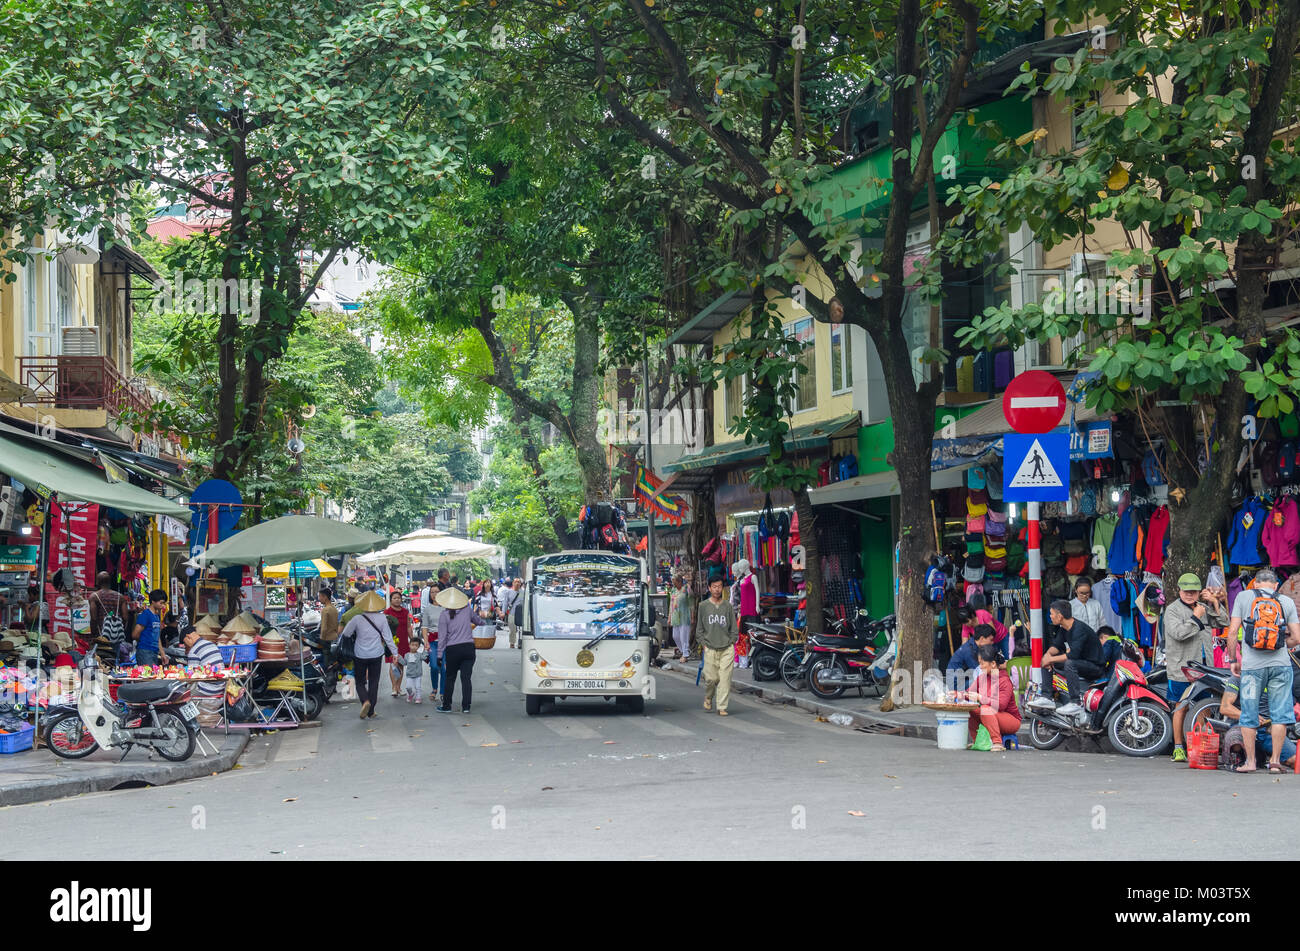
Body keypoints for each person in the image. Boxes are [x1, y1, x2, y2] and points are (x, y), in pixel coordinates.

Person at [1223, 567, 1300, 773]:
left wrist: (1232, 660)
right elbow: (1297, 638)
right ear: (1275, 585)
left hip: (1252, 667)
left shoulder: (1243, 597)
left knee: (1249, 714)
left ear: (1255, 583)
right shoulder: (1286, 601)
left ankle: (1250, 762)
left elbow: (1232, 632)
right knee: (1279, 715)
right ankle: (1275, 762)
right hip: (1280, 667)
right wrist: (1280, 644)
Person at [1164, 573, 1229, 762]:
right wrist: (1196, 617)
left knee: (1204, 707)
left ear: (1199, 592)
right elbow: (1178, 633)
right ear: (1179, 590)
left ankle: (1199, 746)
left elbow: (1223, 622)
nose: (1190, 595)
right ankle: (1178, 747)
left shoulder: (1203, 607)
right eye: (1186, 591)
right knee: (1180, 706)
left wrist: (1215, 603)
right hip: (1181, 666)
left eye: (1193, 591)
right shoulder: (1172, 610)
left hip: (1205, 667)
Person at [1029, 599, 1103, 717]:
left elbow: (1072, 655)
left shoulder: (1079, 629)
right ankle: (1046, 697)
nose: (1050, 616)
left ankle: (1075, 703)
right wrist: (1048, 656)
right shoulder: (1064, 628)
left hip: (1094, 667)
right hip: (1080, 662)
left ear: (1060, 616)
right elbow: (1057, 645)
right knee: (1046, 659)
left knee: (1069, 663)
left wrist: (1051, 659)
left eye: (1052, 614)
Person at [1219, 671, 1296, 770]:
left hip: (1266, 730)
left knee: (1295, 760)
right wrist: (1249, 716)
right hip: (1242, 725)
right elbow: (1225, 707)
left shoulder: (1274, 679)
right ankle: (1246, 759)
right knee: (1235, 740)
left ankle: (1271, 759)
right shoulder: (1237, 678)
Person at [435, 586, 495, 714]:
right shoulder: (467, 610)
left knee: (450, 678)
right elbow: (479, 622)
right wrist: (488, 626)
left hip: (453, 650)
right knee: (466, 678)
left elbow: (442, 638)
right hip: (468, 648)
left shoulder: (444, 615)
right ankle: (466, 706)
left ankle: (447, 706)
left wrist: (439, 656)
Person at [340, 590, 398, 719]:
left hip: (360, 653)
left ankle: (365, 701)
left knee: (360, 681)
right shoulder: (382, 618)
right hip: (376, 653)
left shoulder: (357, 618)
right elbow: (388, 638)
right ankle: (371, 711)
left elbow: (346, 634)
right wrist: (395, 653)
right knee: (374, 682)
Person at [961, 644, 1022, 751]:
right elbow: (968, 693)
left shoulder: (1004, 680)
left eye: (982, 663)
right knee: (970, 708)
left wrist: (980, 697)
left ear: (993, 664)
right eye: (979, 663)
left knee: (985, 709)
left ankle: (997, 742)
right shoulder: (982, 677)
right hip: (992, 714)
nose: (980, 666)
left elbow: (1001, 705)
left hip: (1011, 720)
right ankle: (978, 741)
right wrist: (955, 694)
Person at [697, 577, 738, 716]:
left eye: (719, 586)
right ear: (709, 588)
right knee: (711, 679)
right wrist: (704, 644)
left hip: (727, 648)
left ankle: (722, 706)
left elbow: (733, 627)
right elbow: (699, 629)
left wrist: (732, 641)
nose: (717, 589)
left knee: (725, 679)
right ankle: (708, 697)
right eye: (714, 586)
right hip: (710, 647)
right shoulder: (703, 606)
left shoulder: (728, 606)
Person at [181, 623, 226, 711]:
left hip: (208, 691)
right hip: (221, 689)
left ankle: (189, 722)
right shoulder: (211, 644)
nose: (185, 645)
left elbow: (191, 677)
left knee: (180, 695)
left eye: (184, 642)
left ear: (188, 637)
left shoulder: (194, 651)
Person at [384, 590, 413, 698]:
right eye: (395, 598)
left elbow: (408, 627)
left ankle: (399, 687)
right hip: (392, 642)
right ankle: (394, 687)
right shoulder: (387, 612)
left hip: (404, 641)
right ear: (391, 600)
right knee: (393, 664)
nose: (397, 600)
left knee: (401, 664)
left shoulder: (405, 612)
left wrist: (412, 639)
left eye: (399, 598)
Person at [131, 589, 168, 666]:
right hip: (145, 652)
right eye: (161, 603)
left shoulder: (157, 616)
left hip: (154, 652)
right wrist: (144, 640)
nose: (163, 606)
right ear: (153, 601)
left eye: (164, 603)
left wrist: (162, 654)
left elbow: (157, 637)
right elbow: (135, 634)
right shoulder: (146, 614)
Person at [88, 572, 127, 642]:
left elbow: (94, 618)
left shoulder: (94, 597)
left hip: (101, 635)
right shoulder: (120, 597)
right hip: (117, 636)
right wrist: (118, 629)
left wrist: (93, 634)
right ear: (110, 582)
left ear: (98, 582)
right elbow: (125, 617)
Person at [732, 559, 758, 669]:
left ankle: (754, 659)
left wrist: (758, 605)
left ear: (746, 567)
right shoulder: (742, 580)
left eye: (741, 567)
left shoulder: (753, 577)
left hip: (752, 609)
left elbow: (757, 591)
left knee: (753, 635)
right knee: (744, 636)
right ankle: (746, 659)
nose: (739, 569)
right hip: (743, 611)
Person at [669, 574, 693, 661]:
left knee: (684, 636)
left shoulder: (686, 589)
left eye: (674, 582)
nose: (673, 584)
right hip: (675, 617)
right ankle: (684, 651)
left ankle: (685, 654)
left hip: (685, 616)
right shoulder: (673, 590)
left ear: (679, 581)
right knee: (675, 636)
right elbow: (671, 605)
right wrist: (669, 617)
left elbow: (691, 603)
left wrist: (692, 616)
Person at [402, 635, 427, 704]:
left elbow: (424, 657)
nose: (414, 646)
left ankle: (418, 698)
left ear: (418, 647)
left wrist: (425, 650)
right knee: (408, 687)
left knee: (418, 687)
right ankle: (411, 694)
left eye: (416, 645)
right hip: (409, 675)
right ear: (409, 645)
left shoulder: (419, 655)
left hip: (418, 674)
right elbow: (404, 663)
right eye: (412, 645)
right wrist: (399, 658)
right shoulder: (407, 655)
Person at [500, 577, 522, 648]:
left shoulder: (523, 592)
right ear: (513, 583)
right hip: (512, 613)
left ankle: (520, 642)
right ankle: (512, 642)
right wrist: (503, 612)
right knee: (512, 629)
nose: (517, 583)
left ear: (520, 584)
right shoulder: (508, 592)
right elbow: (505, 603)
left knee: (521, 630)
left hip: (521, 614)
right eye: (515, 582)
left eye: (518, 582)